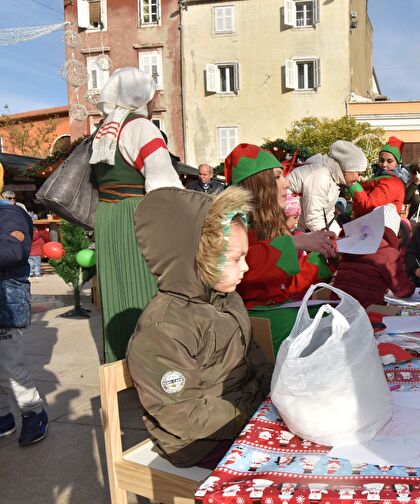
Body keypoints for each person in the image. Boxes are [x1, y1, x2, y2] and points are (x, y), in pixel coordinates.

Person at [127, 186, 272, 468]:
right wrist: (253, 411)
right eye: (234, 259)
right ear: (198, 257)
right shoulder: (164, 328)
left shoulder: (227, 300)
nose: (245, 268)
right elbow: (182, 413)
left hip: (242, 417)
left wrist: (277, 389)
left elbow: (252, 354)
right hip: (199, 443)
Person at [88, 67, 183, 363]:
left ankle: (121, 359)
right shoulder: (141, 127)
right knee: (146, 288)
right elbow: (163, 183)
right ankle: (150, 363)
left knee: (116, 289)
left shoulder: (103, 131)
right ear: (142, 96)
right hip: (135, 213)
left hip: (106, 215)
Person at [227, 144, 337, 353]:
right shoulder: (233, 224)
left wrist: (323, 258)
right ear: (257, 184)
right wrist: (298, 242)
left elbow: (288, 284)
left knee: (339, 318)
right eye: (278, 176)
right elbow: (243, 266)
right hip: (251, 322)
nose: (286, 184)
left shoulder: (271, 225)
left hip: (276, 314)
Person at [0, 173, 49, 446]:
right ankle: (3, 417)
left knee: (8, 366)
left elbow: (15, 250)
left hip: (4, 301)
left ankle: (34, 412)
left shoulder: (11, 215)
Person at [332, 204, 415, 307]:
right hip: (366, 311)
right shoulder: (388, 252)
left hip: (338, 306)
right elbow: (402, 289)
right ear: (394, 229)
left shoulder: (352, 244)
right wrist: (411, 287)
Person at [286, 140, 367, 232]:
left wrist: (339, 233)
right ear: (348, 168)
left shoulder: (333, 179)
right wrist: (331, 239)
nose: (360, 178)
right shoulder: (321, 175)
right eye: (359, 173)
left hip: (299, 226)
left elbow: (327, 214)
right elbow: (314, 218)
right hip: (287, 226)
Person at [348, 136, 409, 218]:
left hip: (377, 228)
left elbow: (370, 205)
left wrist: (353, 185)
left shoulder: (393, 182)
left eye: (389, 161)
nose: (384, 164)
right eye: (381, 160)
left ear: (397, 163)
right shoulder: (381, 177)